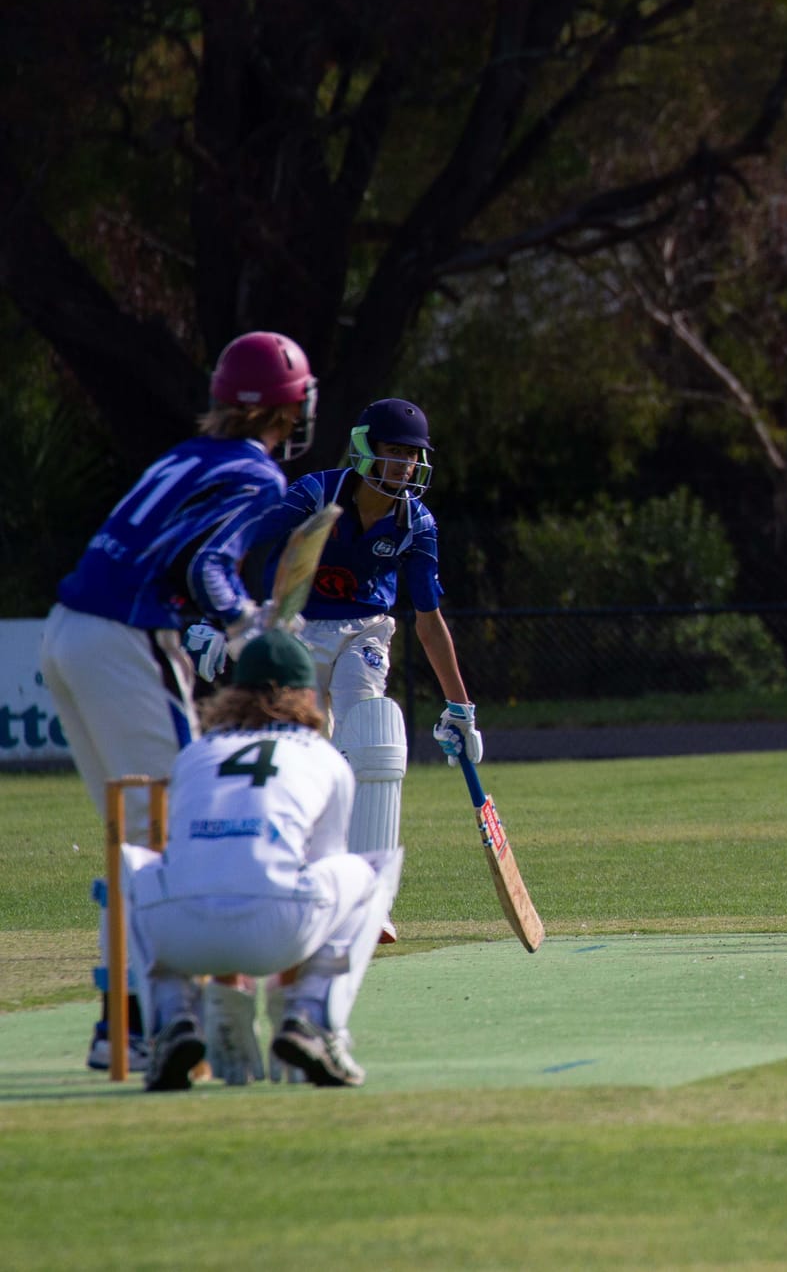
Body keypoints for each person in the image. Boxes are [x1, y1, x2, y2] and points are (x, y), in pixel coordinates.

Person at [42, 330, 317, 1071]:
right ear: (289, 410)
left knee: (136, 838)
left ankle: (123, 1022)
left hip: (65, 633)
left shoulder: (180, 455)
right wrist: (244, 622)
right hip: (125, 640)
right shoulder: (258, 474)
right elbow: (206, 566)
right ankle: (152, 1020)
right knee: (178, 824)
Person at [210, 399, 479, 931]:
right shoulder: (315, 494)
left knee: (371, 732)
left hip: (366, 631)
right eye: (394, 452)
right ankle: (293, 885)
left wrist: (460, 707)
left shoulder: (416, 522)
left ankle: (368, 900)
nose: (404, 466)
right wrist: (223, 617)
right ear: (366, 450)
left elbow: (429, 620)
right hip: (296, 632)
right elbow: (241, 541)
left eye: (412, 455)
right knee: (304, 757)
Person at [118, 629, 402, 1090]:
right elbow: (317, 873)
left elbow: (199, 858)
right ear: (308, 693)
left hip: (180, 934)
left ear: (234, 692)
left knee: (134, 866)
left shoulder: (194, 754)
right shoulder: (325, 758)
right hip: (280, 929)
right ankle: (310, 1019)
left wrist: (230, 989)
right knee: (369, 871)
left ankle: (172, 1021)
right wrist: (283, 994)